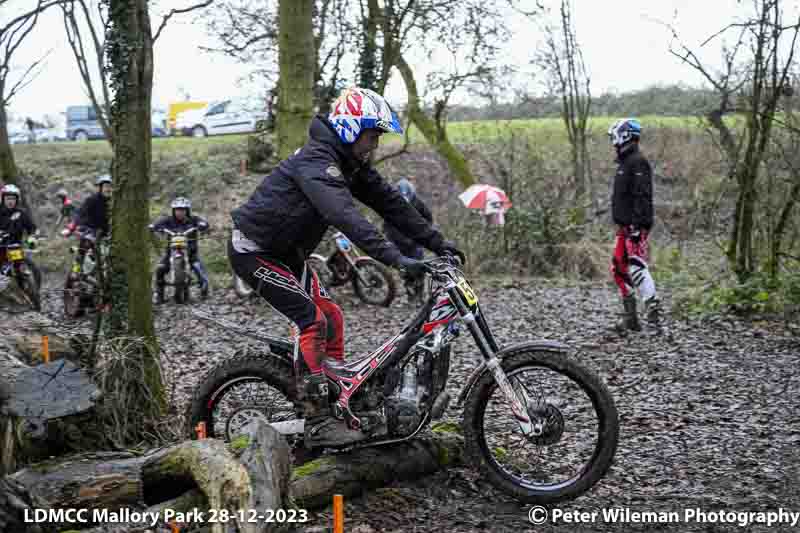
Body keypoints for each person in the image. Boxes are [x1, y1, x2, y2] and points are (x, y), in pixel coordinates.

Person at [229, 87, 464, 448]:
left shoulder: (350, 164)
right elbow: (344, 216)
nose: (374, 144)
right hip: (254, 250)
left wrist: (437, 242)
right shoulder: (317, 163)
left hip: (287, 254)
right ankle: (319, 418)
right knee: (312, 321)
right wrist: (396, 259)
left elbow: (393, 206)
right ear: (351, 128)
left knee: (333, 316)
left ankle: (338, 401)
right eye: (372, 135)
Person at [607, 118, 661, 333]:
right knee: (618, 269)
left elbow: (643, 195)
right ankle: (631, 319)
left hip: (634, 226)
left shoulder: (638, 162)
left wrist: (638, 226)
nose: (613, 141)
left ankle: (654, 319)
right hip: (623, 226)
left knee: (637, 268)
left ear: (625, 135)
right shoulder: (624, 162)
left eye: (615, 136)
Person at [149, 196, 210, 303]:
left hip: (191, 251)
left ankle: (204, 288)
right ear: (173, 211)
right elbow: (157, 224)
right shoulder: (168, 220)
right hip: (170, 251)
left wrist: (203, 225)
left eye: (182, 210)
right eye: (177, 210)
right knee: (160, 268)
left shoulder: (193, 219)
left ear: (187, 210)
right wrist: (153, 226)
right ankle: (159, 294)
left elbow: (203, 222)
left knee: (198, 267)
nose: (180, 212)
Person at [63, 174, 112, 276]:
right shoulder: (92, 200)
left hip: (107, 236)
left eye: (111, 186)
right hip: (90, 231)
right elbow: (80, 214)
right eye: (106, 186)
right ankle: (75, 273)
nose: (109, 189)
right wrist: (71, 228)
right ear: (100, 187)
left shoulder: (115, 202)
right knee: (81, 254)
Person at [0, 184, 38, 288]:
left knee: (20, 267)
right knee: (4, 275)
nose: (10, 201)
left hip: (15, 245)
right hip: (1, 247)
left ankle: (24, 283)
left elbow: (32, 227)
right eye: (8, 198)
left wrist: (32, 237)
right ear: (3, 199)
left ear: (17, 200)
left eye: (13, 198)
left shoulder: (21, 213)